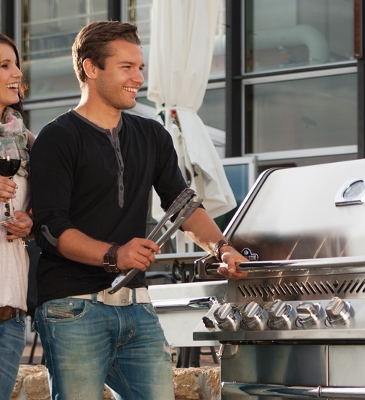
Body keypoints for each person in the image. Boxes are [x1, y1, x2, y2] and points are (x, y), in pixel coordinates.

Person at [30, 21, 247, 399]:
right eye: (126, 67)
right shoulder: (57, 137)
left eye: (141, 67)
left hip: (137, 306)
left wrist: (222, 248)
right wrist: (115, 254)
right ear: (90, 68)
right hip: (72, 308)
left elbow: (183, 206)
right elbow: (50, 229)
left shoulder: (152, 136)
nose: (138, 78)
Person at [0, 34, 35, 400]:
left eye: (16, 63)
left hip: (10, 316)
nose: (16, 73)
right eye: (3, 65)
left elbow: (50, 197)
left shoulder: (23, 140)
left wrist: (31, 220)